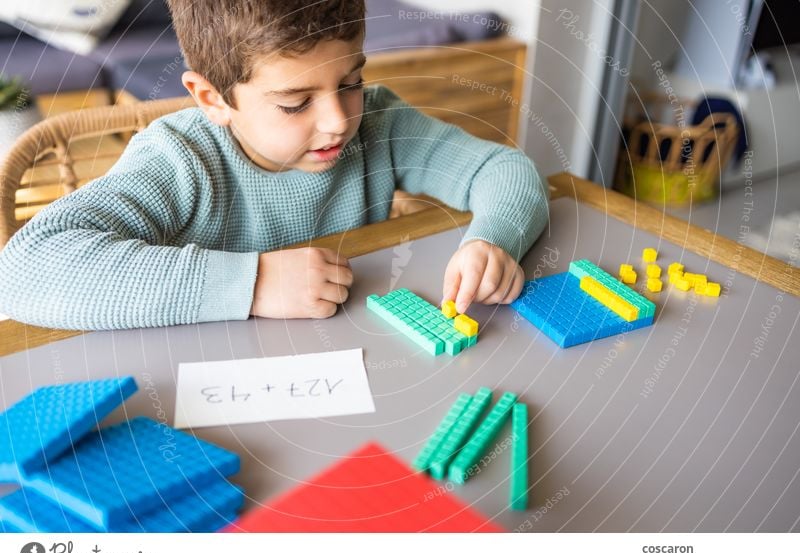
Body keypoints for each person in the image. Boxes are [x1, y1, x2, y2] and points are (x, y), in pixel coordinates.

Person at [0, 0, 548, 330]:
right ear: (212, 99)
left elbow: (505, 171)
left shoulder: (378, 124)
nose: (338, 119)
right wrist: (254, 283)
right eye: (295, 102)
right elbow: (23, 271)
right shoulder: (180, 160)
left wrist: (494, 240)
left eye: (351, 81)